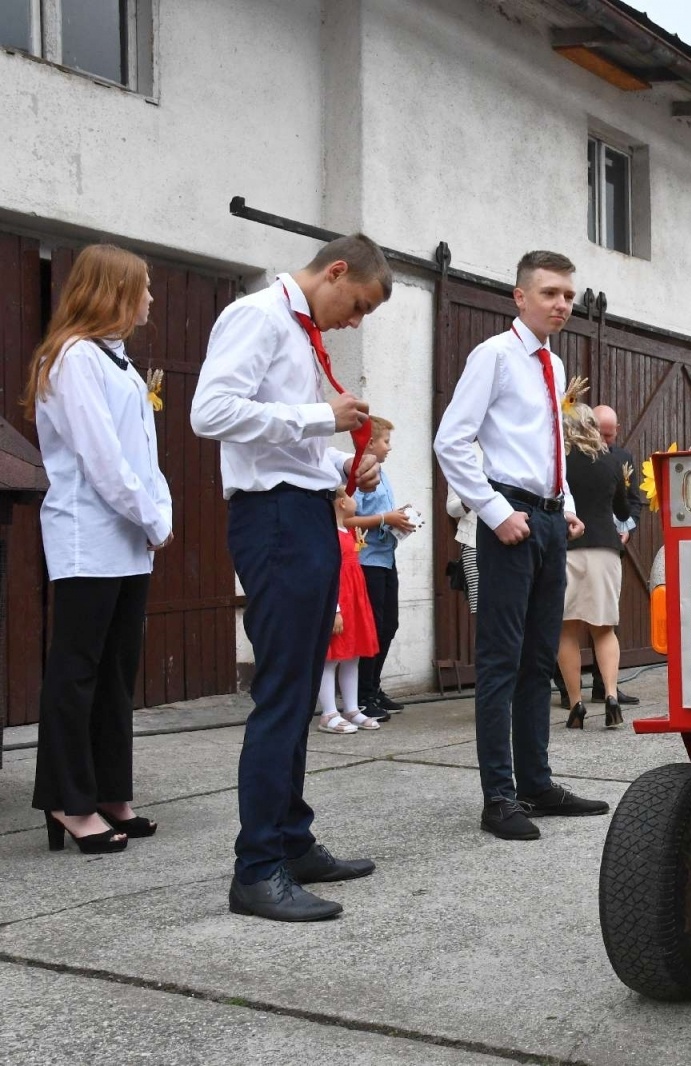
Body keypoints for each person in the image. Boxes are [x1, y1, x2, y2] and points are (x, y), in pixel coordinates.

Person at [191, 233, 389, 922]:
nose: (355, 320)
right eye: (357, 303)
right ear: (335, 271)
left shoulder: (297, 327)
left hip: (301, 510)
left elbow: (279, 438)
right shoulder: (258, 315)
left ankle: (292, 840)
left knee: (302, 685)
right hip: (273, 519)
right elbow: (209, 412)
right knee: (282, 692)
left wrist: (340, 461)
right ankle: (258, 868)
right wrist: (318, 417)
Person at [434, 250, 610, 842]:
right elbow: (451, 441)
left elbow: (547, 446)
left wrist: (569, 508)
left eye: (568, 295)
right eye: (550, 294)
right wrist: (495, 511)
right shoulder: (495, 357)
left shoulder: (554, 367)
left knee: (540, 659)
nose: (562, 304)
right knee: (501, 663)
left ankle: (536, 782)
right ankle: (499, 797)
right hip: (508, 519)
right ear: (520, 297)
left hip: (550, 522)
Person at [26, 244, 171, 854]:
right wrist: (150, 515)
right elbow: (102, 459)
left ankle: (111, 793)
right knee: (77, 671)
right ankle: (67, 800)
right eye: (143, 286)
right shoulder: (73, 359)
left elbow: (144, 457)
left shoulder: (122, 366)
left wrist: (156, 517)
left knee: (115, 673)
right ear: (113, 291)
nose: (150, 298)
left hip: (131, 540)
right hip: (90, 537)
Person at [557, 403, 633, 730]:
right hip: (604, 548)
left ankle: (576, 703)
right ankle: (612, 695)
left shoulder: (558, 463)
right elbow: (622, 507)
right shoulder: (613, 462)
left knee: (567, 629)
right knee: (604, 629)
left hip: (567, 549)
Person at [350, 416, 414, 720]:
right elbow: (346, 520)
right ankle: (361, 696)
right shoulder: (357, 477)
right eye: (385, 441)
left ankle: (374, 687)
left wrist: (400, 518)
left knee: (389, 624)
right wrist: (385, 519)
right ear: (370, 443)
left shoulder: (383, 474)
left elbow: (384, 514)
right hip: (367, 561)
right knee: (371, 627)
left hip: (387, 557)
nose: (389, 447)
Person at [585, 404, 643, 706]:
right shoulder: (573, 458)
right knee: (569, 620)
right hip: (578, 543)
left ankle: (603, 685)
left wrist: (627, 528)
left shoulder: (623, 459)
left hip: (611, 543)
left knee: (605, 619)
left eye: (610, 434)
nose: (606, 441)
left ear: (617, 430)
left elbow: (633, 503)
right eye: (600, 434)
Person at [317, 488, 382, 734]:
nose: (357, 500)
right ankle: (328, 712)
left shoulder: (350, 529)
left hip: (355, 599)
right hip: (340, 600)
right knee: (331, 657)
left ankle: (352, 708)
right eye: (352, 496)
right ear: (343, 502)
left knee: (352, 655)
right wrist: (334, 609)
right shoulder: (328, 534)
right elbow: (328, 575)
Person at [445, 480, 480, 615]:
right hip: (473, 542)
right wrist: (472, 500)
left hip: (512, 541)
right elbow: (452, 508)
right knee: (481, 608)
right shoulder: (467, 461)